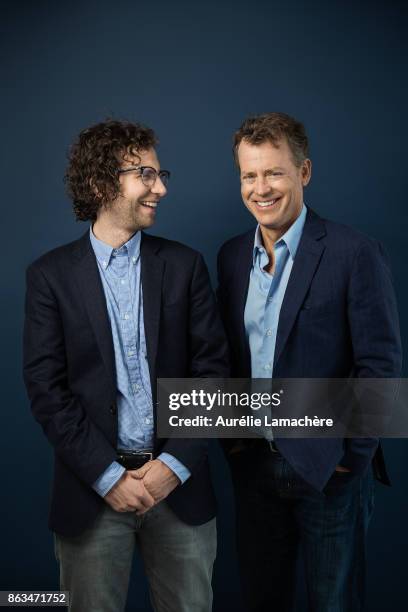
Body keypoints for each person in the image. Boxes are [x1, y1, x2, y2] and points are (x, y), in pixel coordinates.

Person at [23, 119, 229, 612]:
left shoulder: (185, 266)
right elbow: (46, 389)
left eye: (161, 175)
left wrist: (173, 466)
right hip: (91, 496)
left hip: (181, 493)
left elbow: (214, 374)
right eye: (145, 174)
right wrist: (107, 477)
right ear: (100, 183)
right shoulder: (49, 277)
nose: (160, 188)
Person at [217, 112, 402, 612]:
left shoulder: (354, 252)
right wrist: (233, 442)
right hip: (254, 469)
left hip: (329, 472)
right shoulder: (232, 257)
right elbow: (230, 357)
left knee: (334, 604)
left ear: (304, 172)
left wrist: (352, 457)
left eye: (273, 172)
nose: (261, 188)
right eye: (248, 175)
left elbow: (380, 365)